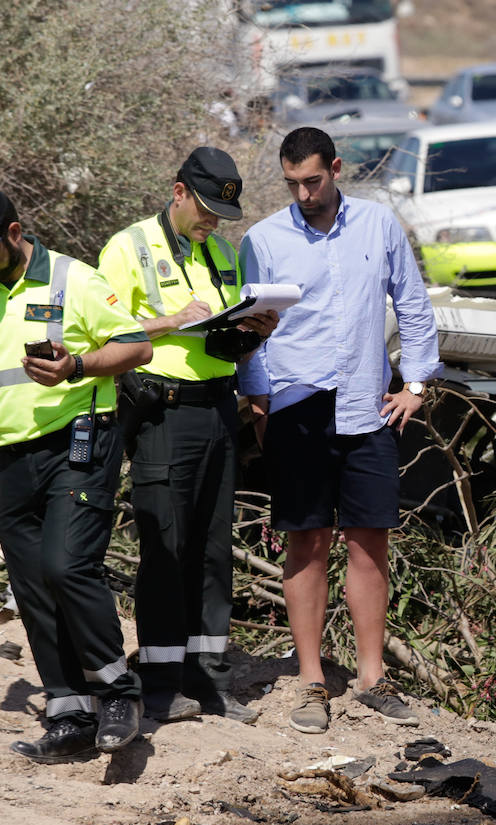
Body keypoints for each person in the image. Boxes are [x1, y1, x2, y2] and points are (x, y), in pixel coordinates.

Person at [0, 178, 152, 761]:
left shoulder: (73, 279)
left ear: (14, 231)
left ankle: (119, 693)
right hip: (13, 456)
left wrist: (78, 364)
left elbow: (136, 347)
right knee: (31, 581)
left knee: (67, 564)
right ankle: (68, 711)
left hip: (81, 441)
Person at [238, 127, 442, 734]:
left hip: (368, 407)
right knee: (305, 542)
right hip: (297, 407)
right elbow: (250, 326)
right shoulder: (263, 238)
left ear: (336, 169)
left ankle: (373, 677)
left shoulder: (379, 226)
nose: (303, 193)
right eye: (293, 183)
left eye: (313, 180)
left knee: (368, 540)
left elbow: (412, 302)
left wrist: (417, 384)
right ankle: (310, 682)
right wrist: (257, 400)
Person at [98, 147, 277, 724]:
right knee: (166, 549)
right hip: (162, 414)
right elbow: (97, 330)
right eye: (203, 210)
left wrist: (254, 330)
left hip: (218, 410)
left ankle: (210, 682)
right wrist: (168, 321)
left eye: (221, 215)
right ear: (177, 193)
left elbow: (220, 339)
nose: (212, 223)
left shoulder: (221, 253)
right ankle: (158, 684)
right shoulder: (128, 247)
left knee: (212, 551)